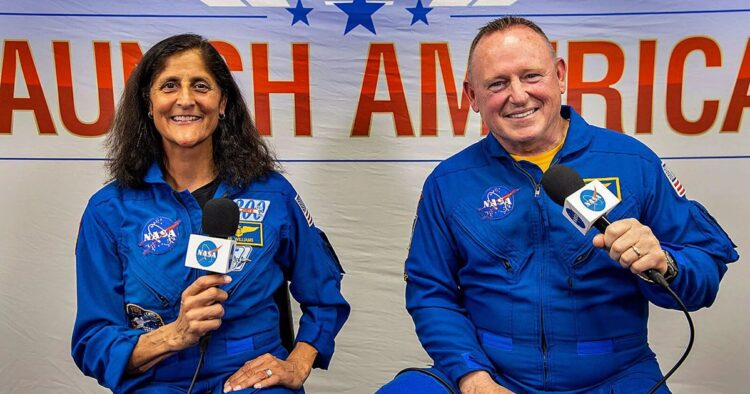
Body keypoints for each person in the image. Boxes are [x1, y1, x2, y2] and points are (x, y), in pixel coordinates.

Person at [381, 16, 739, 394]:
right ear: (472, 96)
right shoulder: (448, 183)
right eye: (498, 83)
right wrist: (473, 379)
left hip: (616, 377)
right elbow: (429, 292)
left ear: (560, 76)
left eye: (532, 76)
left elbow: (706, 266)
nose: (518, 95)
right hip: (493, 375)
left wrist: (666, 262)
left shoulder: (633, 162)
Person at [71, 34, 350, 393]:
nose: (185, 100)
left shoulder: (273, 194)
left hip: (250, 380)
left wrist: (297, 363)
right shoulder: (109, 210)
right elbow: (93, 343)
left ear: (222, 103)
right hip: (158, 381)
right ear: (148, 104)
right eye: (169, 85)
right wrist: (175, 335)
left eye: (200, 86)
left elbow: (325, 295)